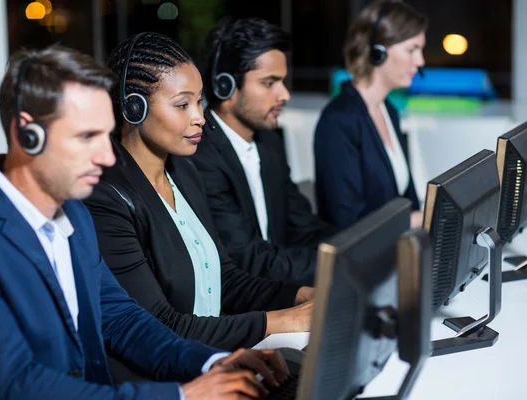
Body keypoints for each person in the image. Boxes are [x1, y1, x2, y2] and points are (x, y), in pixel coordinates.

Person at [0, 44, 290, 400]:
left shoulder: (74, 216)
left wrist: (213, 362)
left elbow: (122, 320)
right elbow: (17, 385)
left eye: (106, 133)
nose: (105, 155)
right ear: (28, 133)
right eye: (87, 137)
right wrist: (182, 396)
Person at [83, 33, 312, 383]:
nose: (200, 117)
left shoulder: (184, 172)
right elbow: (162, 326)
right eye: (182, 105)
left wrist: (298, 295)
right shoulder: (107, 198)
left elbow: (225, 278)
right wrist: (283, 320)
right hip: (163, 381)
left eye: (199, 102)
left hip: (213, 364)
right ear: (134, 108)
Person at [189, 17, 337, 286]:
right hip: (242, 310)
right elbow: (250, 260)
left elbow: (304, 227)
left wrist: (358, 249)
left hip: (279, 291)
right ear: (226, 86)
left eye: (283, 81)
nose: (285, 94)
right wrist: (339, 264)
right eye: (270, 83)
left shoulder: (269, 144)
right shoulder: (201, 156)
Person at [314, 0, 428, 230]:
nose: (420, 61)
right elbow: (347, 221)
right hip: (361, 261)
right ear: (379, 52)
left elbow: (407, 201)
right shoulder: (338, 120)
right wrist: (423, 218)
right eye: (412, 49)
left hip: (396, 253)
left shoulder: (389, 111)